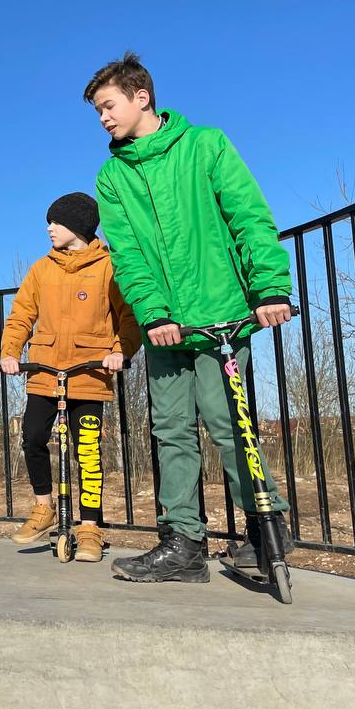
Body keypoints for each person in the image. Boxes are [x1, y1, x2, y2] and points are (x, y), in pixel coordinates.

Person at [87, 52, 295, 583]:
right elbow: (128, 254)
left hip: (220, 314)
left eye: (108, 106)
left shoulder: (207, 145)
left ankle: (265, 529)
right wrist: (153, 313)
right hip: (164, 329)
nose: (104, 118)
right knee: (171, 431)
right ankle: (182, 544)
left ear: (142, 97)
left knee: (230, 426)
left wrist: (269, 287)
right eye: (98, 112)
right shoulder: (112, 177)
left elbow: (249, 216)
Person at [0, 193, 142, 562]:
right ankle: (43, 506)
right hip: (45, 373)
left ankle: (90, 528)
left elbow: (129, 317)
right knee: (31, 437)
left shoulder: (109, 267)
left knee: (88, 452)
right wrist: (10, 353)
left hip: (89, 375)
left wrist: (119, 351)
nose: (49, 229)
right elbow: (20, 316)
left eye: (55, 223)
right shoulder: (41, 269)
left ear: (76, 226)